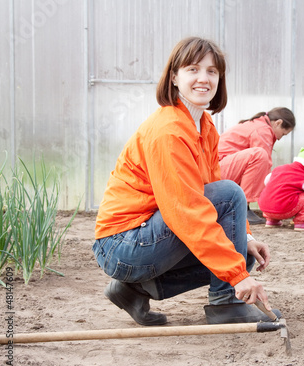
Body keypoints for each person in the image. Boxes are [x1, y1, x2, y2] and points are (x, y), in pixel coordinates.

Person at [92, 36, 281, 326]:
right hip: (122, 244)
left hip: (142, 239)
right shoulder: (169, 131)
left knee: (241, 251)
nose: (203, 78)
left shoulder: (202, 125)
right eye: (193, 69)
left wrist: (248, 238)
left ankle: (134, 291)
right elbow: (187, 210)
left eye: (212, 71)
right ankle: (226, 304)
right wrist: (237, 277)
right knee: (230, 205)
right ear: (174, 78)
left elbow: (209, 187)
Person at [218, 107, 296, 225]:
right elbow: (264, 165)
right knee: (259, 155)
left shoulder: (258, 124)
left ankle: (241, 207)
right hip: (218, 170)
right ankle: (242, 208)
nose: (280, 138)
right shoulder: (262, 130)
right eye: (283, 134)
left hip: (221, 168)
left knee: (257, 159)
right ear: (278, 123)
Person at [258, 145, 304, 232]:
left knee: (272, 193)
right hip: (283, 210)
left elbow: (266, 181)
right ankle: (302, 223)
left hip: (265, 209)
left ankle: (272, 221)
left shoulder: (279, 169)